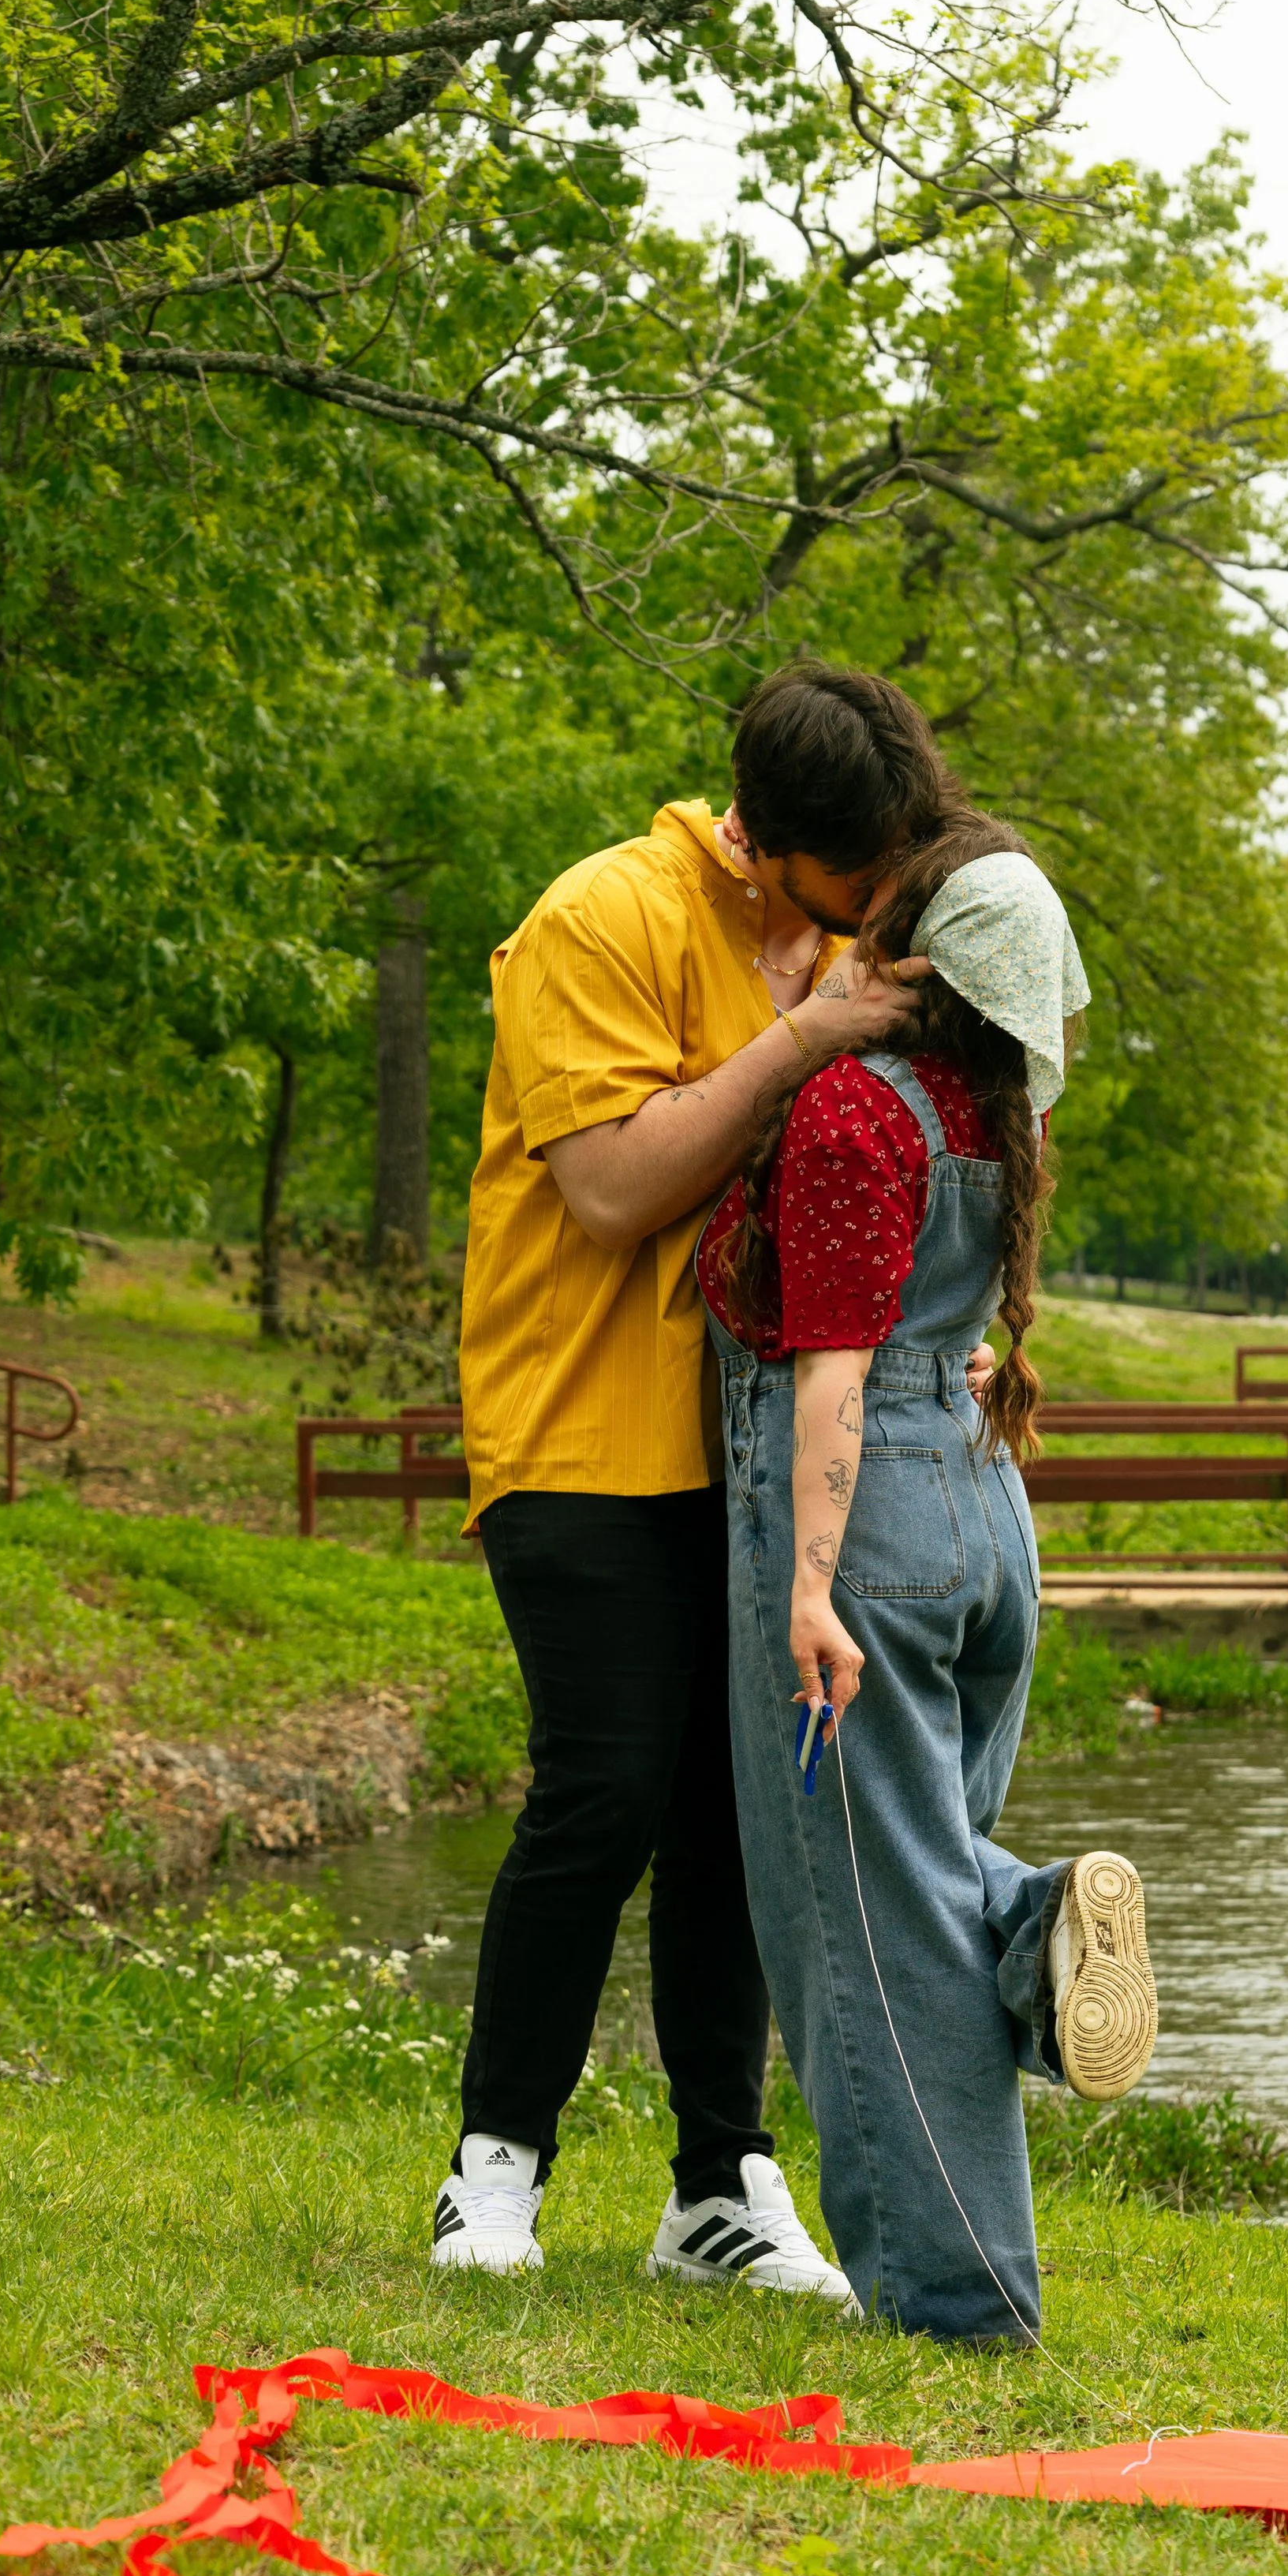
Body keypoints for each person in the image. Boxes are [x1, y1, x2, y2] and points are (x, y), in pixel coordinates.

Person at [430, 664, 990, 2292]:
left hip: (760, 1449)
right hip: (580, 1429)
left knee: (738, 1811)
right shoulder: (596, 921)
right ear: (766, 843)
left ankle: (716, 2187)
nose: (882, 906)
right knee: (601, 1785)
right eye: (857, 880)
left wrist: (941, 1330)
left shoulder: (845, 938)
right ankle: (494, 2166)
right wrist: (798, 1040)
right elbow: (610, 1190)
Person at [697, 814, 1159, 2342]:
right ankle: (1025, 1925)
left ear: (914, 953)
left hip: (866, 1529)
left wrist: (808, 1590)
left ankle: (950, 2305)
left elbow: (830, 1379)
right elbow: (929, 1338)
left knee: (863, 1940)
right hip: (976, 1509)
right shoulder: (988, 1114)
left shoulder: (851, 1113)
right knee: (914, 1881)